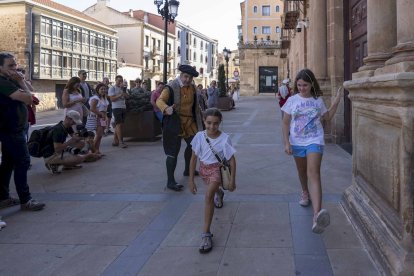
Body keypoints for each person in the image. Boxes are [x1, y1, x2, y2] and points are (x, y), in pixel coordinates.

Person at [281, 69, 343, 234]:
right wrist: (286, 142)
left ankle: (317, 215)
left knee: (313, 173)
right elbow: (286, 122)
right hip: (296, 142)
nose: (302, 88)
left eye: (305, 85)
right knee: (302, 172)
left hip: (315, 140)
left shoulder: (317, 100)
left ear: (311, 84)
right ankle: (305, 192)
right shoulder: (292, 100)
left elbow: (327, 117)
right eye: (299, 85)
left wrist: (336, 101)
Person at [0, 52, 45, 211]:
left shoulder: (8, 80)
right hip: (11, 129)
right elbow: (28, 98)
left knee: (8, 163)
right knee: (23, 162)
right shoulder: (3, 82)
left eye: (15, 64)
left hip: (14, 128)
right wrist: (21, 81)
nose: (15, 68)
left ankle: (3, 197)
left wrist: (19, 80)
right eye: (10, 66)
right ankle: (25, 200)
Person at [188, 108, 236, 253]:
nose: (212, 127)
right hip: (204, 170)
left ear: (220, 122)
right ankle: (219, 193)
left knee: (208, 196)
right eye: (209, 123)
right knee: (213, 191)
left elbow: (232, 161)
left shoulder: (224, 138)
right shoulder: (199, 136)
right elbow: (193, 158)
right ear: (204, 121)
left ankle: (206, 234)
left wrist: (233, 180)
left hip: (217, 169)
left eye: (215, 123)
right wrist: (191, 180)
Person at [156, 64, 203, 191]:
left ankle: (188, 169)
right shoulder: (171, 87)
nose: (188, 80)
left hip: (189, 122)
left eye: (190, 77)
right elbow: (159, 101)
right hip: (175, 122)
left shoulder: (193, 88)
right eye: (186, 76)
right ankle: (170, 181)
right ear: (181, 75)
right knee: (173, 151)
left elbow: (196, 106)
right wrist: (166, 108)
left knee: (193, 145)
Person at [86, 83, 109, 154]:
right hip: (97, 117)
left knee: (100, 135)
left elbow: (105, 109)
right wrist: (101, 114)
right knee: (98, 135)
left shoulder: (103, 97)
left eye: (104, 89)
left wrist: (105, 117)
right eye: (101, 89)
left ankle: (97, 150)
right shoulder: (95, 98)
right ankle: (93, 151)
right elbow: (92, 108)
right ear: (97, 90)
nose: (103, 90)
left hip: (102, 118)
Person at [108, 75, 129, 148]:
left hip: (123, 107)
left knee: (120, 125)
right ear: (115, 80)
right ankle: (121, 142)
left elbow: (127, 97)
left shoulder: (123, 88)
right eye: (119, 80)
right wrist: (120, 95)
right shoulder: (112, 88)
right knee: (119, 124)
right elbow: (112, 99)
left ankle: (115, 140)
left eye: (121, 80)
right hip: (116, 107)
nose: (120, 82)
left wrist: (123, 90)